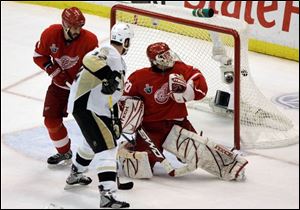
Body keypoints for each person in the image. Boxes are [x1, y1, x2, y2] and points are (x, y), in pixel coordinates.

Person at [118, 42, 248, 180]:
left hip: (178, 124)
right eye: (163, 56)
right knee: (139, 169)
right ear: (153, 61)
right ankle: (130, 146)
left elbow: (197, 78)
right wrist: (129, 112)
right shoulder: (139, 77)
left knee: (199, 153)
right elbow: (123, 98)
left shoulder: (179, 68)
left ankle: (232, 167)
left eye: (168, 53)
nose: (168, 58)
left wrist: (187, 89)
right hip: (151, 129)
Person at [65, 23, 134, 208]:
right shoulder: (108, 51)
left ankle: (76, 174)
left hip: (96, 107)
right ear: (125, 41)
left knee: (91, 141)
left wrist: (115, 117)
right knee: (108, 149)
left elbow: (112, 94)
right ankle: (107, 195)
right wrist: (108, 76)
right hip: (87, 106)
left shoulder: (116, 58)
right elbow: (89, 60)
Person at [33, 7, 98, 165]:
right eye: (74, 27)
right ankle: (64, 152)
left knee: (94, 126)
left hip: (83, 90)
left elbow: (96, 66)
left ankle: (105, 155)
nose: (77, 30)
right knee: (51, 121)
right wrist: (53, 70)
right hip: (59, 88)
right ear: (65, 24)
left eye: (79, 27)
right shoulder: (50, 34)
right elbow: (39, 56)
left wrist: (83, 79)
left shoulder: (90, 40)